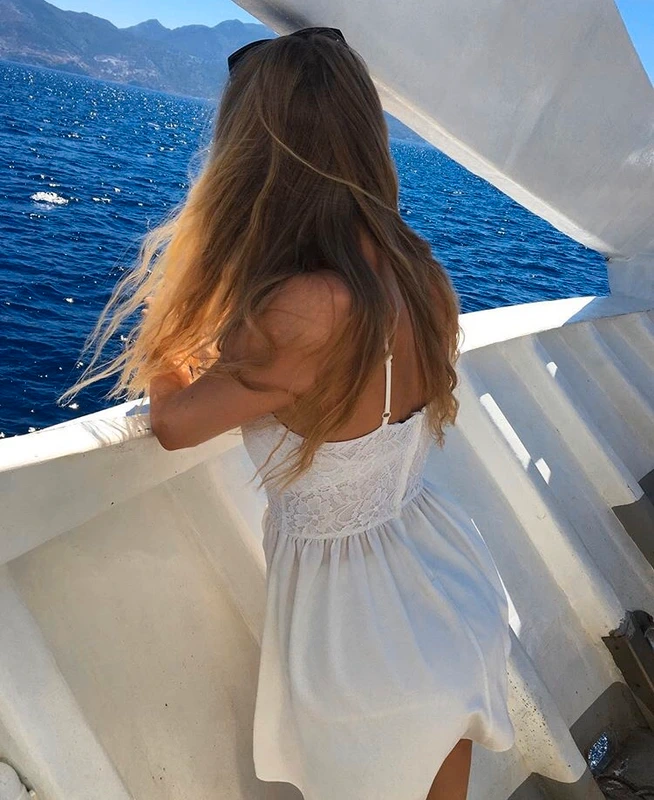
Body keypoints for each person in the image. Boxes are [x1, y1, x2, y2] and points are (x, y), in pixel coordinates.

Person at [60, 26, 515, 800]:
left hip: (359, 632)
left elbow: (173, 424)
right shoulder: (417, 269)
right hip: (445, 582)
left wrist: (175, 321)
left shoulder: (303, 309)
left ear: (254, 159)